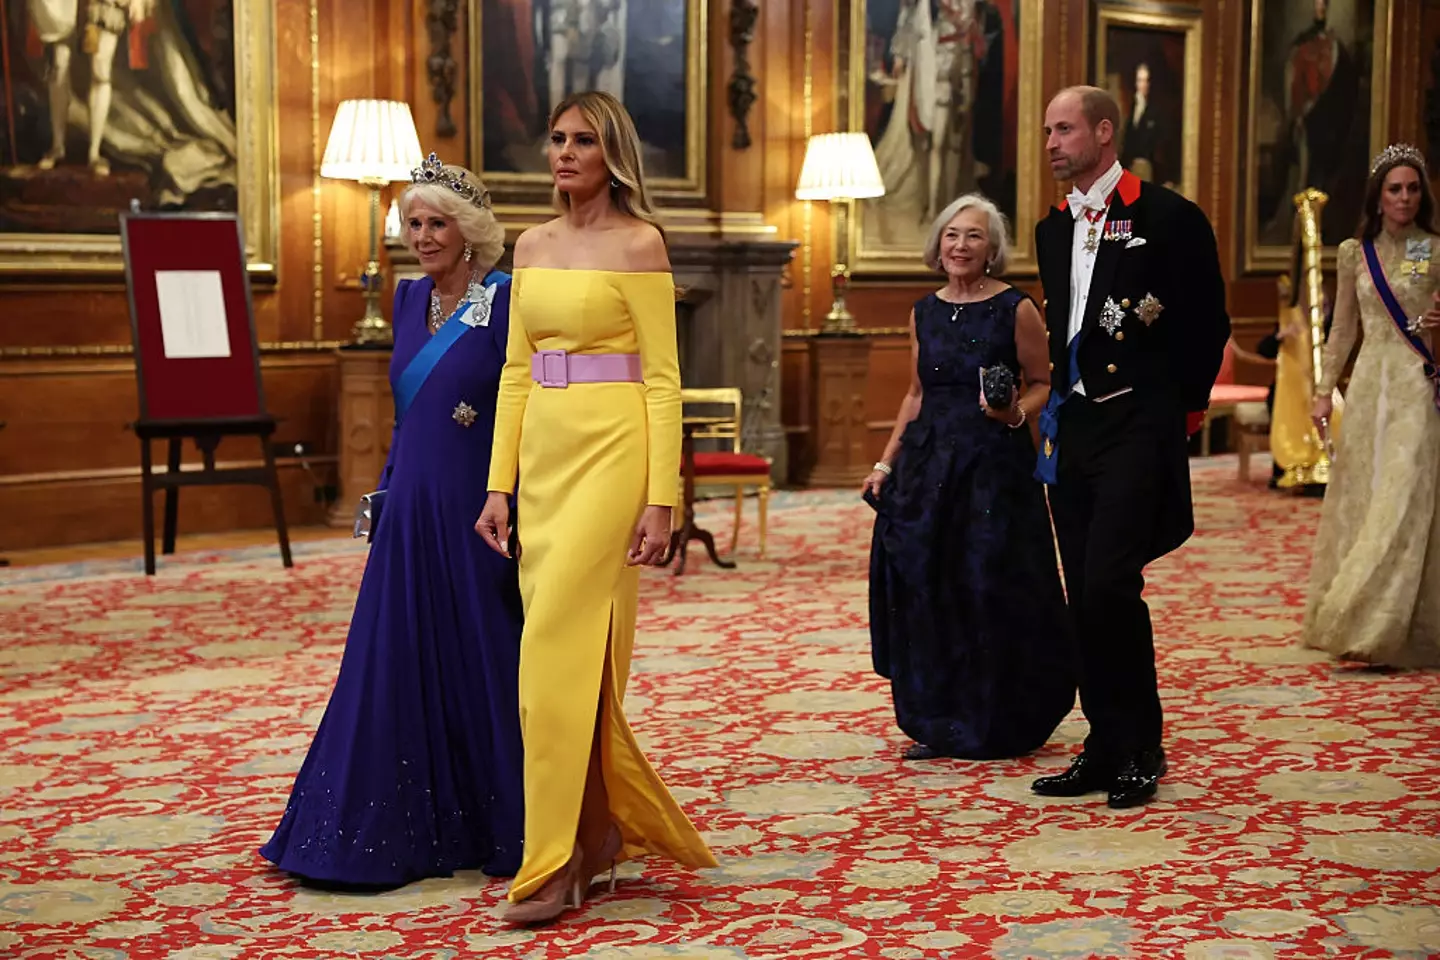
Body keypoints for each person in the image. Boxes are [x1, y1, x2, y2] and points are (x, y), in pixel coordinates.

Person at [475, 89, 716, 925]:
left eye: (583, 141)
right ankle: (591, 832)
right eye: (556, 139)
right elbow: (512, 372)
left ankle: (551, 864)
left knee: (547, 658)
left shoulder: (641, 243)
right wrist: (498, 483)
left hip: (614, 459)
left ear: (612, 154)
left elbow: (661, 380)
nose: (564, 153)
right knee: (569, 663)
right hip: (542, 458)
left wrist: (662, 498)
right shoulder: (530, 244)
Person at [260, 155, 524, 886]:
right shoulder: (407, 300)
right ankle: (395, 829)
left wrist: (508, 491)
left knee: (483, 647)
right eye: (414, 222)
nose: (424, 235)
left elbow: (522, 407)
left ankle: (502, 820)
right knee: (395, 653)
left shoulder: (507, 300)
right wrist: (384, 488)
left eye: (438, 222)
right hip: (410, 500)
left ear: (469, 230)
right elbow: (408, 414)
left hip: (476, 500)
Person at [1030, 86, 1229, 808]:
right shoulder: (1052, 229)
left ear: (1104, 132)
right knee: (1083, 590)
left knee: (1112, 580)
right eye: (1047, 130)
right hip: (1074, 427)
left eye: (1064, 129)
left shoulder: (1166, 216)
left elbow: (1208, 318)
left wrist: (1187, 406)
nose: (1050, 142)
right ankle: (1102, 745)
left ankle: (1141, 745)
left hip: (1139, 422)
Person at [864, 193, 1075, 761]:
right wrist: (886, 462)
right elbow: (915, 393)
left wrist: (1013, 414)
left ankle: (1000, 719)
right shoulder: (923, 311)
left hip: (993, 466)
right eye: (952, 234)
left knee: (988, 585)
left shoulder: (1015, 308)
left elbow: (1041, 381)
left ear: (992, 249)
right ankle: (940, 720)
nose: (960, 245)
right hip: (929, 466)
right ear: (938, 244)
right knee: (931, 586)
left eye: (974, 236)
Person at [1302, 143, 1440, 667]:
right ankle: (1359, 614)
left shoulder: (1435, 249)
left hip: (1416, 384)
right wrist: (1321, 390)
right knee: (1368, 494)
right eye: (1394, 189)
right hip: (1368, 388)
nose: (1404, 198)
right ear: (1378, 197)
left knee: (1405, 496)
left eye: (1412, 188)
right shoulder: (1353, 253)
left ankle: (1377, 623)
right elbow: (1342, 330)